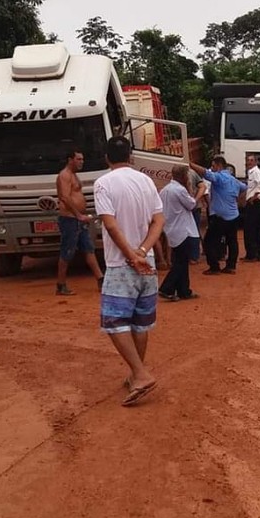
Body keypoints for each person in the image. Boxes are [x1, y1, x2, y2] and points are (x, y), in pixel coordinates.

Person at [93, 137, 165, 406]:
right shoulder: (145, 180)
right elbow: (159, 220)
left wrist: (130, 256)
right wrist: (143, 251)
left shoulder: (103, 183)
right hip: (148, 266)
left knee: (114, 322)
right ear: (131, 156)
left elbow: (110, 226)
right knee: (140, 322)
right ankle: (137, 373)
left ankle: (140, 373)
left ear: (107, 158)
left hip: (121, 265)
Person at [56, 150, 104, 296]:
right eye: (78, 159)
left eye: (82, 159)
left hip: (79, 218)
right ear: (70, 159)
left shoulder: (74, 175)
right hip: (70, 219)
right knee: (67, 251)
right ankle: (61, 284)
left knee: (88, 248)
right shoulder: (64, 175)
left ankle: (100, 279)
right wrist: (78, 215)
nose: (81, 161)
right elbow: (64, 197)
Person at [189, 156, 247, 275]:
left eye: (213, 166)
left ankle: (214, 267)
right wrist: (236, 198)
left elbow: (205, 173)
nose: (212, 168)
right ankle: (231, 266)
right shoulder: (233, 179)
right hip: (233, 215)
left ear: (219, 166)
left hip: (220, 217)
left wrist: (190, 164)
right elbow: (244, 187)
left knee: (209, 241)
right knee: (232, 241)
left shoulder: (220, 177)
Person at [158, 165, 204, 301]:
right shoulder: (180, 190)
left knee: (180, 261)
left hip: (172, 228)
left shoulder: (165, 190)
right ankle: (166, 288)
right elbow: (191, 205)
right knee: (181, 262)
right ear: (184, 176)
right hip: (183, 230)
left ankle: (184, 291)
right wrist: (193, 193)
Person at [243, 153, 260, 261]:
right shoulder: (251, 172)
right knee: (256, 228)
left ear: (256, 162)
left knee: (250, 229)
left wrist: (254, 196)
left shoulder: (256, 172)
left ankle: (252, 254)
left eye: (251, 160)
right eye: (248, 160)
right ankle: (257, 254)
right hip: (255, 202)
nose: (249, 162)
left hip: (255, 203)